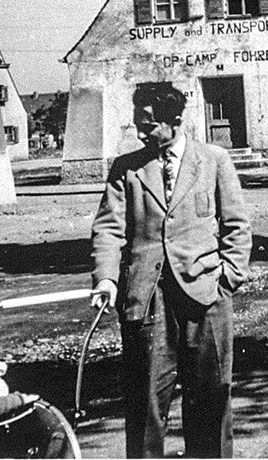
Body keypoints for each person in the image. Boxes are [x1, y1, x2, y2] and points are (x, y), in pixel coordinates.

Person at [91, 83, 252, 458]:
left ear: (175, 121)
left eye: (148, 126)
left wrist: (228, 277)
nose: (141, 133)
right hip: (146, 300)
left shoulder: (213, 160)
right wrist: (106, 279)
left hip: (206, 296)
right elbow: (109, 228)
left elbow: (237, 225)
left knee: (211, 399)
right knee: (144, 403)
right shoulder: (126, 169)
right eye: (137, 125)